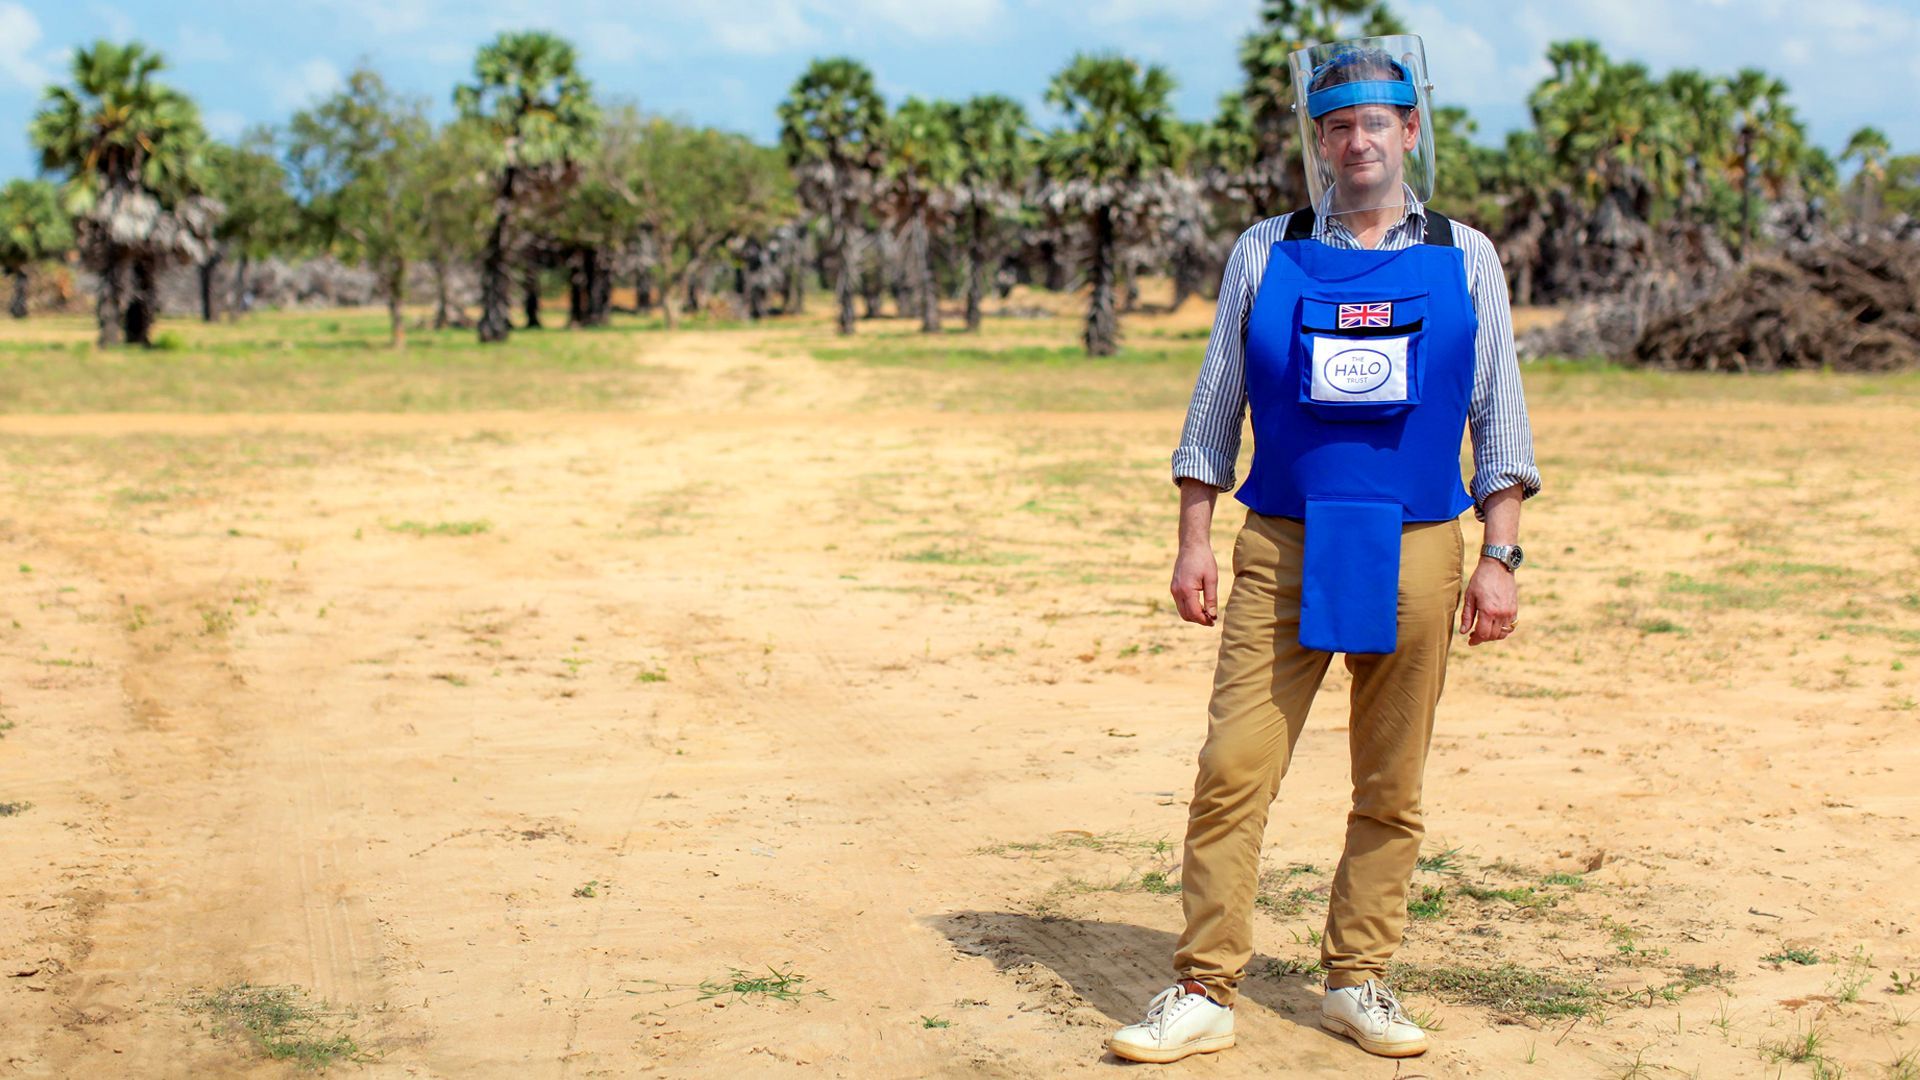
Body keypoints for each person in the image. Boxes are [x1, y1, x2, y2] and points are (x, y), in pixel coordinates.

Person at [1107, 36, 1540, 1064]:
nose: (1358, 142)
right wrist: (1193, 540)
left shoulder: (1465, 257)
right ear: (1319, 138)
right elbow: (1215, 406)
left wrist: (1500, 557)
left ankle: (1359, 979)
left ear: (1410, 130)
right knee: (1233, 766)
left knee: (1391, 782)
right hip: (1282, 545)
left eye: (1376, 122)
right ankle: (1204, 985)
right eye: (1338, 125)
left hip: (1423, 553)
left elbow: (1500, 420)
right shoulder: (1265, 249)